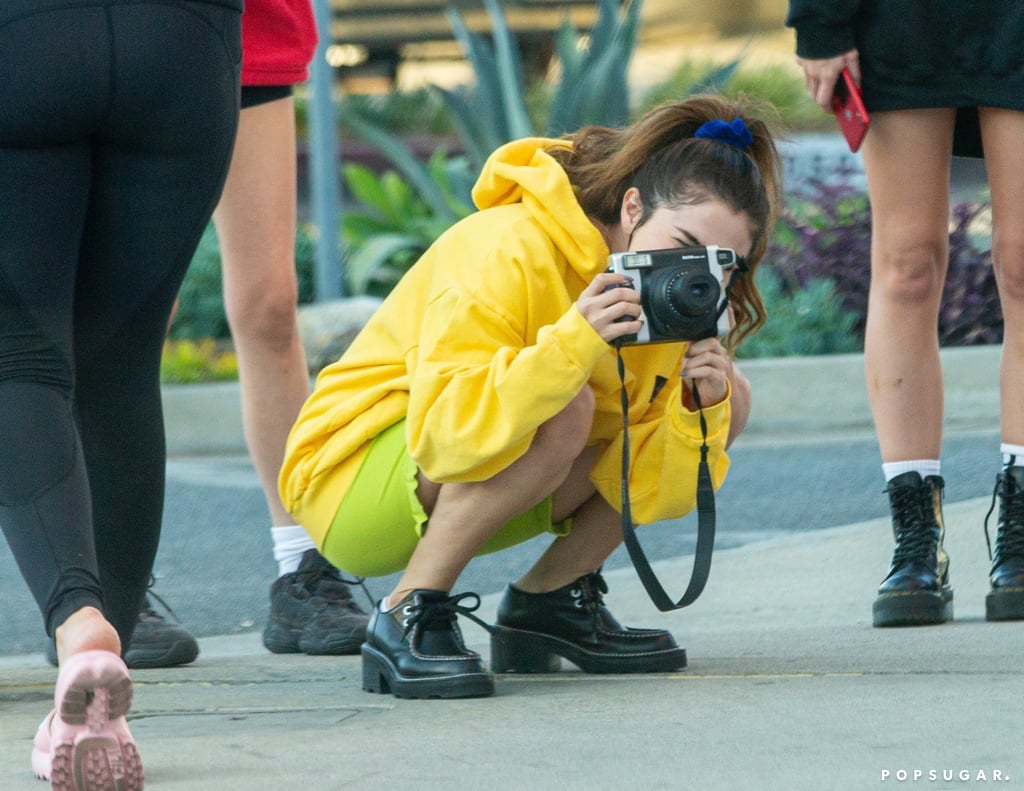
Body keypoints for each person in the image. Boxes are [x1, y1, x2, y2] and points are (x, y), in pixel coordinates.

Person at [278, 94, 782, 698]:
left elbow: (657, 487)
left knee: (731, 398)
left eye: (724, 264)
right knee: (566, 409)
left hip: (482, 481)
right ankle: (407, 613)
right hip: (354, 479)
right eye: (682, 243)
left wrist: (696, 413)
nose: (696, 273)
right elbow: (445, 437)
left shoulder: (671, 304)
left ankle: (548, 605)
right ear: (632, 207)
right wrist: (573, 342)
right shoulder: (507, 244)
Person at [0, 0, 241, 785]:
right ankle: (105, 696)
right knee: (122, 362)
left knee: (19, 358)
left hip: (22, 38)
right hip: (182, 44)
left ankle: (80, 621)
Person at [114, 0, 370, 668]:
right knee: (130, 314)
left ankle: (304, 568)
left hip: (247, 35)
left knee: (270, 307)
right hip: (118, 35)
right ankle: (109, 582)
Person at [786, 2, 1024, 627]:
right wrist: (821, 22)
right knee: (907, 263)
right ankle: (917, 536)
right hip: (900, 16)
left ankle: (1022, 529)